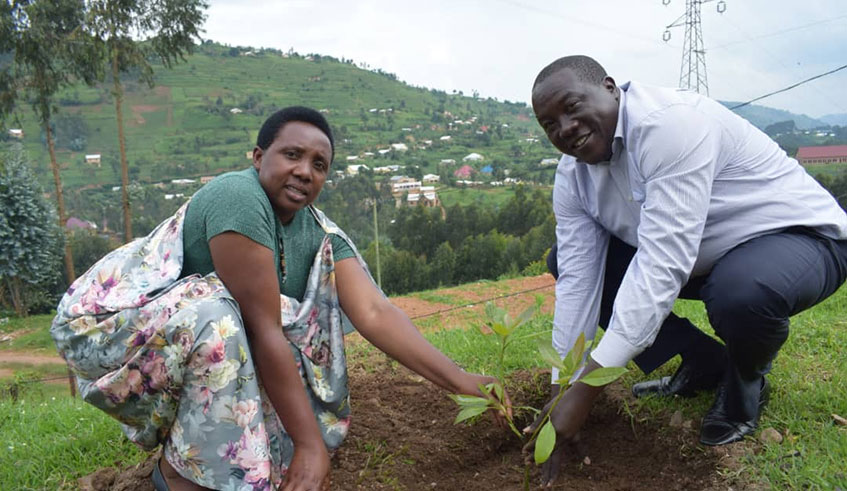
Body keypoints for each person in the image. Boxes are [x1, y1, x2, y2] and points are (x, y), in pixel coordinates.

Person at [51, 106, 509, 491]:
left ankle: (200, 456)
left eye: (319, 164)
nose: (305, 171)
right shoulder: (238, 197)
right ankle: (176, 478)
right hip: (105, 331)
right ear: (258, 156)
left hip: (189, 338)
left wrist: (461, 381)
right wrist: (309, 444)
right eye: (292, 155)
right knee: (221, 316)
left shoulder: (321, 234)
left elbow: (375, 311)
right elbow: (260, 325)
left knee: (264, 385)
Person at [525, 55, 847, 486]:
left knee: (742, 293)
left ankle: (745, 385)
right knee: (564, 262)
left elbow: (661, 266)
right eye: (549, 125)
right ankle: (703, 361)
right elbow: (581, 280)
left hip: (802, 240)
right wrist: (562, 387)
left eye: (571, 107)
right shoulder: (573, 177)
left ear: (609, 87)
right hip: (704, 258)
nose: (565, 129)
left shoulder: (669, 126)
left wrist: (588, 390)